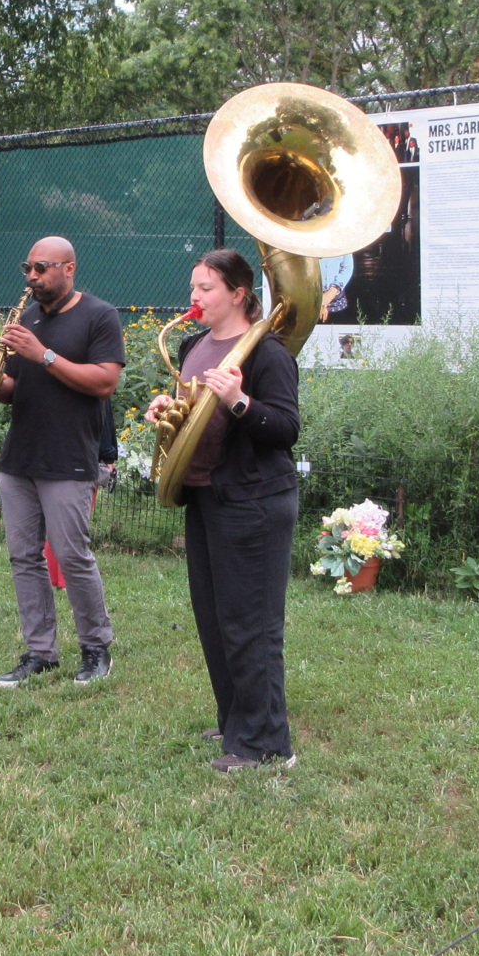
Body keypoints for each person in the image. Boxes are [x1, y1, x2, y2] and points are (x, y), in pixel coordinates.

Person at [146, 248, 301, 772]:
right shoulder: (193, 344)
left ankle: (265, 743)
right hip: (207, 496)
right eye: (193, 287)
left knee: (251, 624)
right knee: (215, 620)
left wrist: (240, 401)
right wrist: (166, 409)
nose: (194, 297)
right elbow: (189, 413)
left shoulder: (267, 353)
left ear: (238, 293)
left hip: (254, 501)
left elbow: (286, 429)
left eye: (206, 288)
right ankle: (236, 717)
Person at [0, 236, 124, 687]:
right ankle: (40, 651)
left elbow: (103, 382)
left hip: (69, 457)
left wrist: (42, 353)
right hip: (20, 456)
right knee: (23, 557)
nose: (32, 277)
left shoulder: (100, 316)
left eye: (41, 268)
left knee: (72, 556)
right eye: (28, 268)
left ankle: (96, 649)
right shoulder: (28, 316)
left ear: (69, 268)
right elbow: (17, 389)